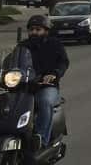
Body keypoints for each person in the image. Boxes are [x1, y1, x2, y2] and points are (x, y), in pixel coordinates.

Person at [21, 14, 69, 149]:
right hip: (26, 86)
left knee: (45, 101)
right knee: (8, 102)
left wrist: (54, 74)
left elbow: (63, 62)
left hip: (47, 86)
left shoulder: (54, 44)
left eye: (38, 29)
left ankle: (41, 139)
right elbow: (11, 61)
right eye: (31, 30)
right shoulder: (23, 46)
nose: (34, 32)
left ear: (46, 31)